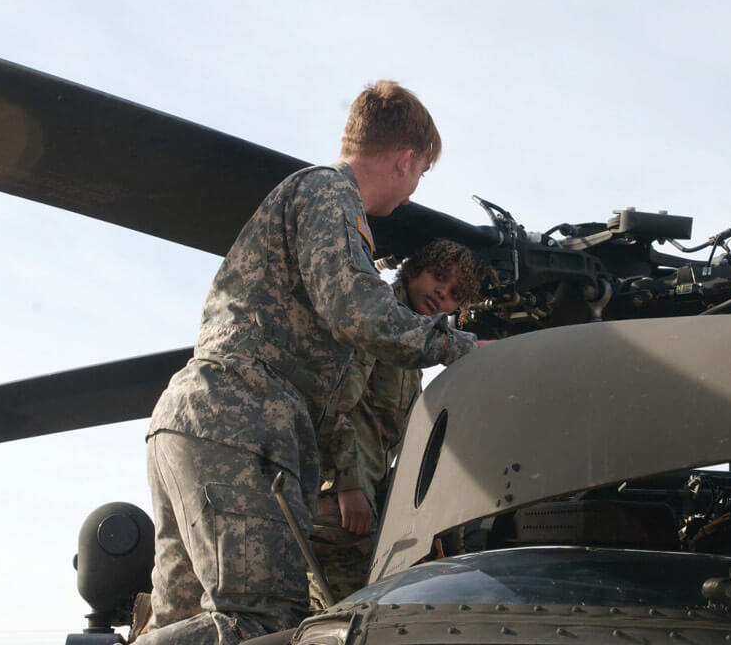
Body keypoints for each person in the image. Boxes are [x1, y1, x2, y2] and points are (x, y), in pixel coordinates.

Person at [140, 80, 483, 645]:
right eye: (422, 172)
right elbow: (359, 313)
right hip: (241, 422)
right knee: (261, 625)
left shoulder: (312, 197)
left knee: (184, 623)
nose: (415, 187)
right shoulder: (328, 194)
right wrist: (463, 348)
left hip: (199, 420)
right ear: (405, 159)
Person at [310, 239, 487, 607]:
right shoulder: (378, 320)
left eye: (455, 293)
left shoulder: (411, 348)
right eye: (438, 277)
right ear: (412, 269)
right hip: (339, 502)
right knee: (352, 615)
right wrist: (348, 486)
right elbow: (334, 403)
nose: (442, 292)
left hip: (365, 500)